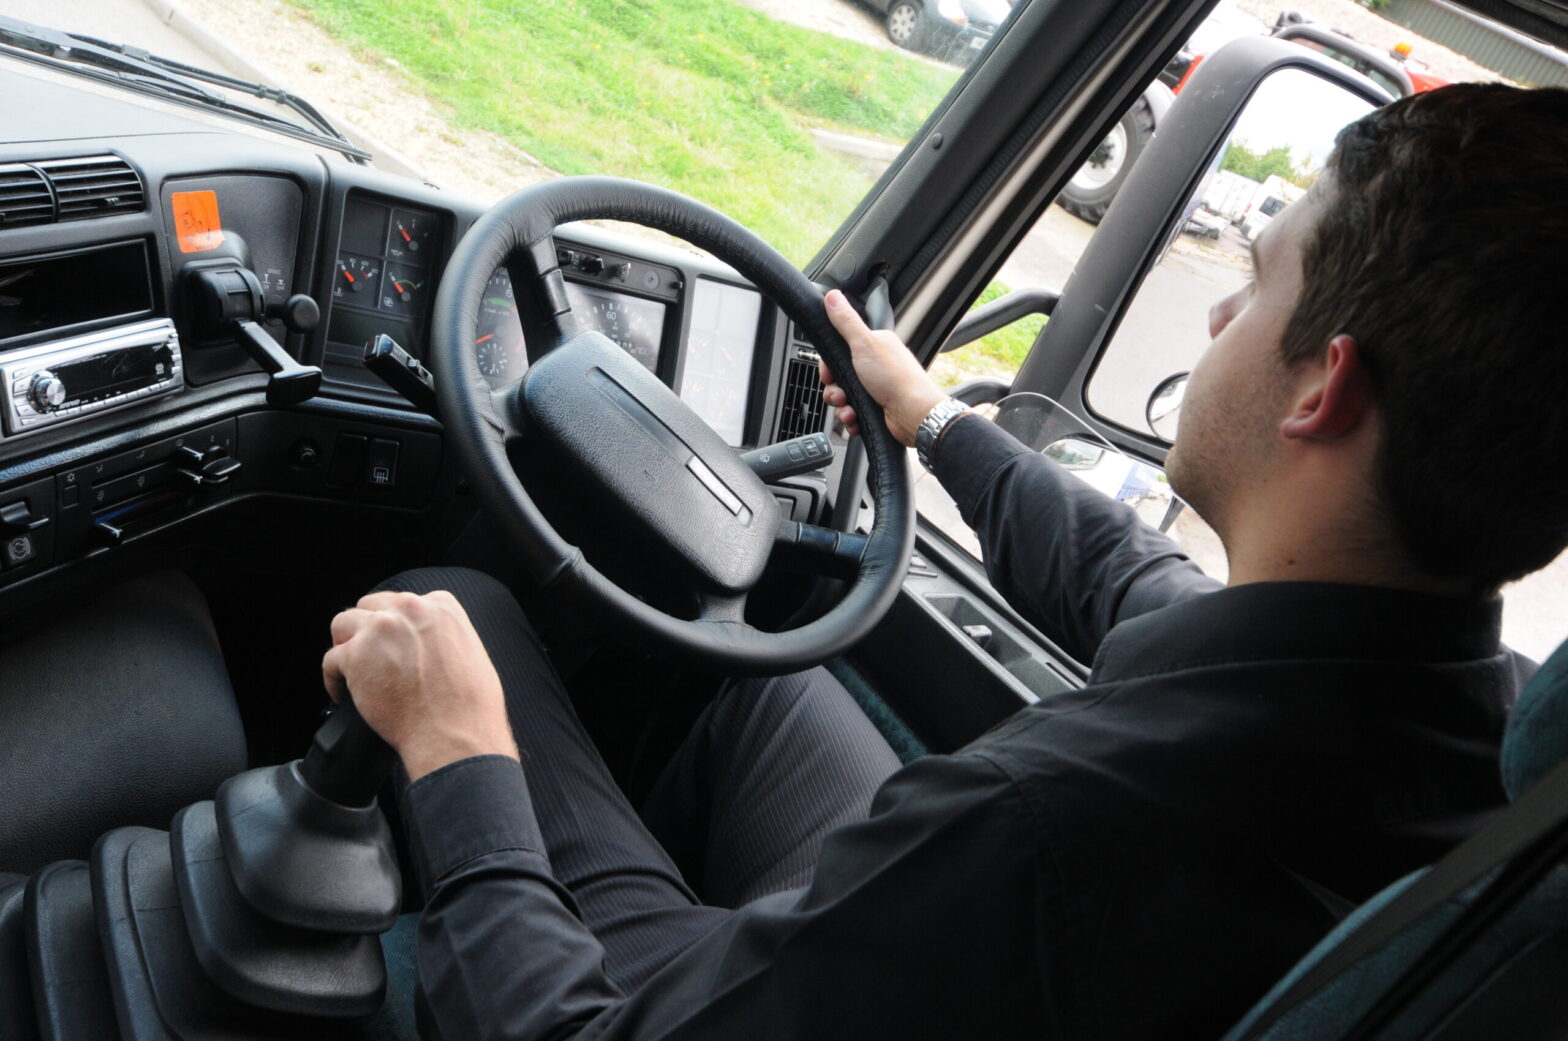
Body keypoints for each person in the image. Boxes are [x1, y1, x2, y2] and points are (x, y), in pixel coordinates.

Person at [324, 84, 1568, 1040]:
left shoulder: (1045, 826)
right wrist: (936, 424)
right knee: (757, 666)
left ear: (1324, 387)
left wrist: (455, 753)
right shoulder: (1464, 728)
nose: (1218, 318)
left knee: (461, 614)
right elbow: (1135, 586)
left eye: (1252, 282)